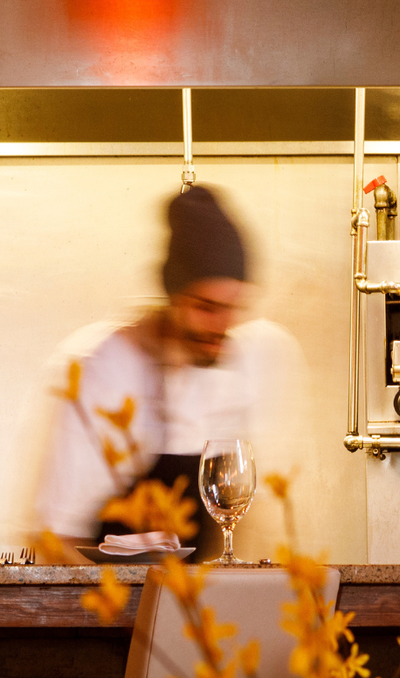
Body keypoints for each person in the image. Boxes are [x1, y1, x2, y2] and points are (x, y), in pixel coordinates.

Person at [31, 184, 297, 562]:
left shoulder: (244, 365)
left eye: (233, 307)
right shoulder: (103, 367)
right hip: (107, 604)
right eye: (206, 307)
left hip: (198, 606)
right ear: (173, 295)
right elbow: (54, 535)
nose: (222, 325)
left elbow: (256, 519)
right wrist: (120, 613)